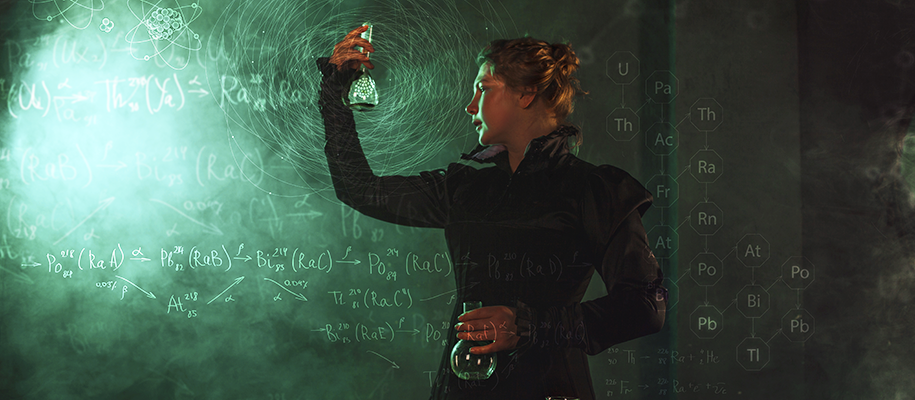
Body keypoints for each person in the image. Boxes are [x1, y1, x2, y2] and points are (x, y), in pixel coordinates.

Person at [317, 24, 668, 400]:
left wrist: (529, 326)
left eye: (483, 89)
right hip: (463, 388)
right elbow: (361, 190)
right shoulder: (465, 188)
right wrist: (335, 92)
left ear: (527, 93)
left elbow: (645, 305)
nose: (470, 105)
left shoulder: (594, 190)